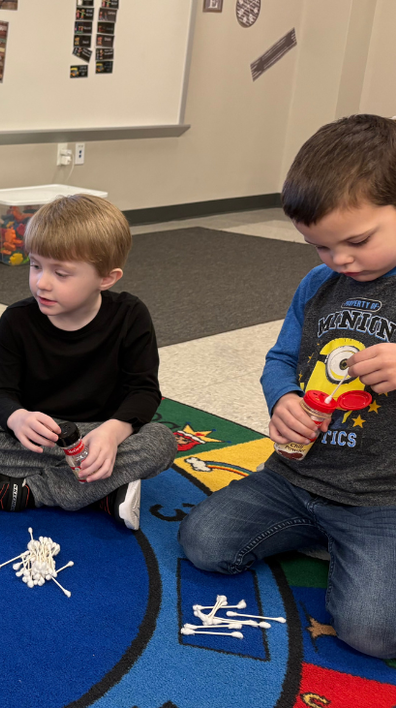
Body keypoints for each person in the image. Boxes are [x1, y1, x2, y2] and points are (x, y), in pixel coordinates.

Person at [179, 114, 396, 659]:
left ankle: (349, 546)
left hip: (381, 500)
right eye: (320, 246)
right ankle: (324, 537)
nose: (339, 259)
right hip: (298, 477)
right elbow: (280, 359)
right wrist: (284, 399)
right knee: (202, 544)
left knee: (371, 633)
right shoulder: (319, 284)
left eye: (357, 241)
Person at [0, 194, 176, 530]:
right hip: (40, 437)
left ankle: (29, 492)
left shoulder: (131, 316)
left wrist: (113, 433)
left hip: (98, 434)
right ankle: (102, 491)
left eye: (61, 273)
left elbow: (143, 391)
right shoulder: (17, 320)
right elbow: (1, 393)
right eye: (35, 265)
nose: (42, 282)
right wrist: (17, 418)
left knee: (161, 442)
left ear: (106, 278)